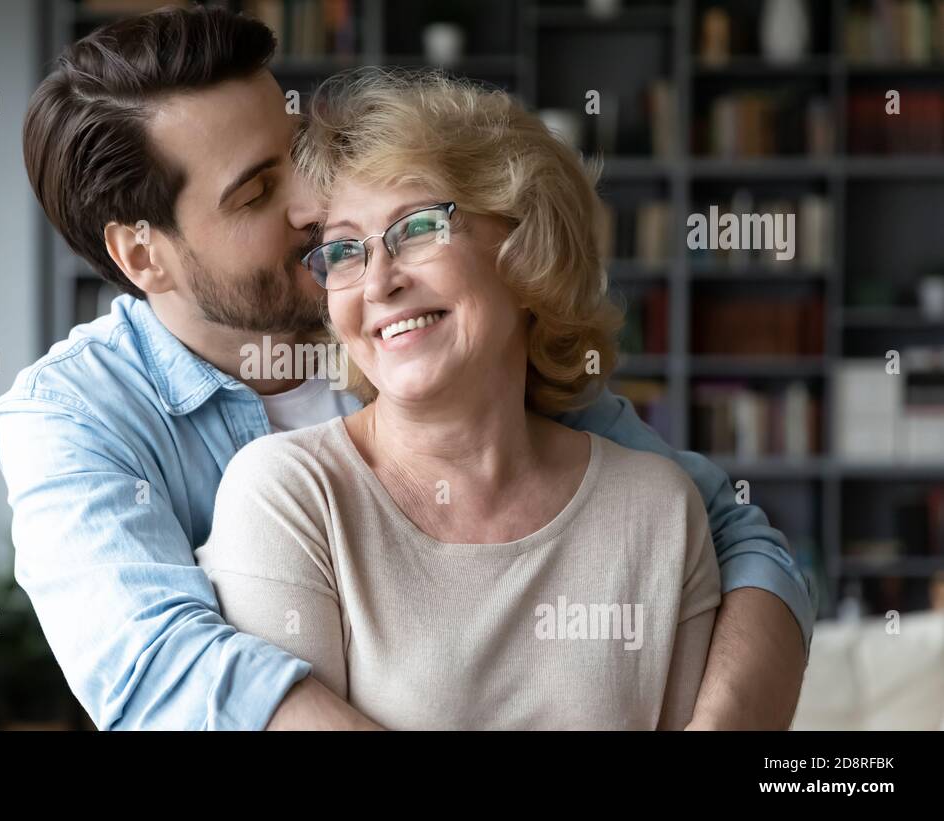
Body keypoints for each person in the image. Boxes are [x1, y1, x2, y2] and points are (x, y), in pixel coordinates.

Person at [0, 5, 813, 730]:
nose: (315, 209)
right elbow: (166, 675)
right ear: (144, 254)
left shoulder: (417, 316)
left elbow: (727, 536)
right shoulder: (71, 418)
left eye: (295, 156)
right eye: (255, 193)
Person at [196, 67, 719, 728]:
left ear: (526, 245)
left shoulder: (659, 509)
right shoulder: (291, 495)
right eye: (344, 250)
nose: (379, 281)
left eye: (416, 228)